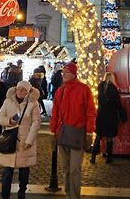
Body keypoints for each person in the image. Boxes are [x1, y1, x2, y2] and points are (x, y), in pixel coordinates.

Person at [50, 62, 96, 199]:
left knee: (75, 168)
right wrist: (53, 132)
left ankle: (74, 196)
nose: (64, 74)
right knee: (65, 168)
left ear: (74, 73)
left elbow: (90, 112)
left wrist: (89, 133)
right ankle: (68, 194)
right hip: (62, 133)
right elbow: (55, 112)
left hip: (77, 133)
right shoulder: (60, 90)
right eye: (63, 72)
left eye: (67, 72)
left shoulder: (84, 89)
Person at [0, 80, 41, 199]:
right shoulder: (8, 101)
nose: (20, 91)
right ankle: (5, 195)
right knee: (7, 171)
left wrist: (29, 140)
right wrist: (9, 121)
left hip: (24, 140)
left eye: (23, 89)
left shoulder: (33, 103)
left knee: (24, 170)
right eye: (18, 89)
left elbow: (36, 122)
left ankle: (22, 193)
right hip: (10, 139)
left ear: (28, 91)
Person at [90, 72, 124, 164]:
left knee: (99, 136)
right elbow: (117, 104)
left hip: (101, 114)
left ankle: (93, 156)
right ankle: (109, 158)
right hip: (111, 115)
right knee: (109, 137)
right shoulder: (113, 89)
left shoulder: (100, 87)